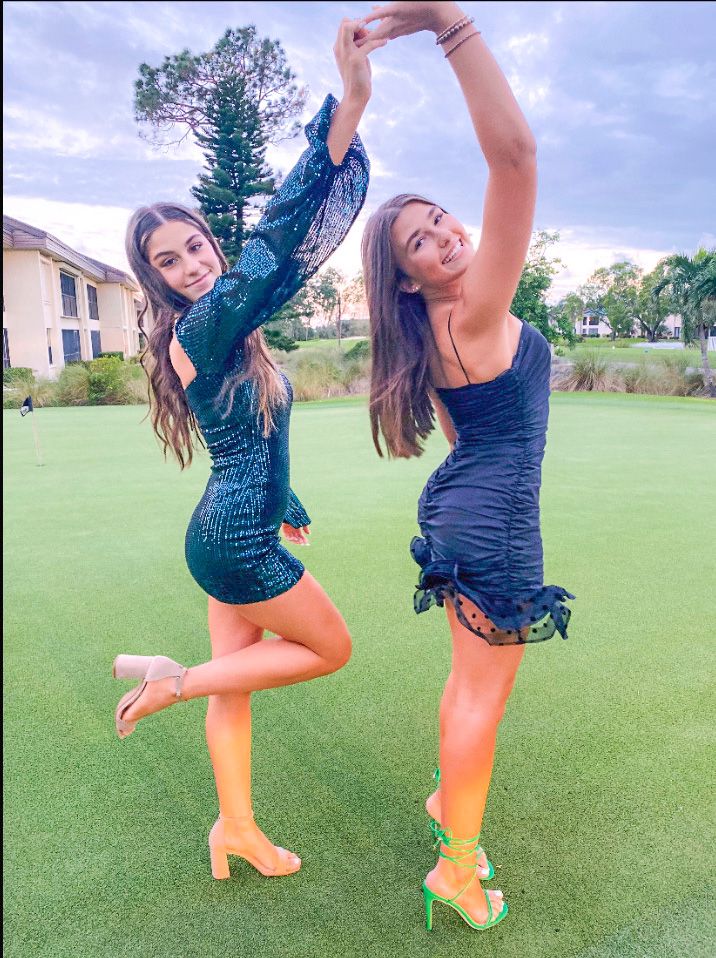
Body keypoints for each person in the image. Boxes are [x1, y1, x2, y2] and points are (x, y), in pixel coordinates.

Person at [114, 19, 385, 881]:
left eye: (195, 245)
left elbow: (250, 439)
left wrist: (288, 502)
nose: (191, 263)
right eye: (170, 259)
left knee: (240, 685)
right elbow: (277, 241)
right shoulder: (206, 319)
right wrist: (348, 108)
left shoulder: (223, 326)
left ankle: (234, 828)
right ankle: (170, 679)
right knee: (330, 650)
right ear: (154, 278)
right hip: (232, 542)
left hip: (229, 530)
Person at [360, 1, 574, 932]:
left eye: (442, 219)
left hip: (468, 507)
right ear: (409, 279)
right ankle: (455, 868)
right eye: (423, 242)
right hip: (486, 521)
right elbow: (517, 160)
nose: (449, 235)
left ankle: (452, 806)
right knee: (483, 696)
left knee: (468, 683)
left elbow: (472, 435)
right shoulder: (477, 312)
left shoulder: (439, 329)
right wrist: (450, 23)